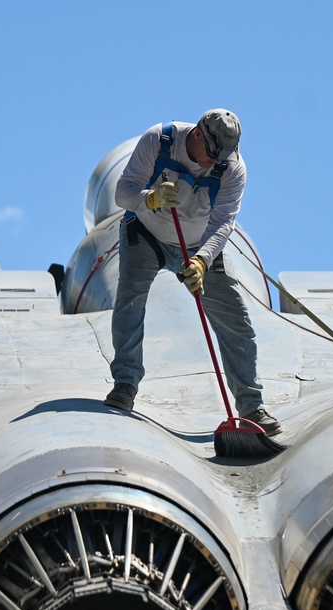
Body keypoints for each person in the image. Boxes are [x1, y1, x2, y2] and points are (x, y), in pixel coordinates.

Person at [103, 109, 282, 436]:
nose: (216, 163)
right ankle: (125, 384)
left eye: (224, 157)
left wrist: (202, 260)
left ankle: (252, 407)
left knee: (234, 321)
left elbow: (224, 222)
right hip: (146, 235)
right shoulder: (160, 140)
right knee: (129, 303)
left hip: (198, 245)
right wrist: (151, 198)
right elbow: (122, 193)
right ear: (197, 134)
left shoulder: (233, 169)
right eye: (213, 154)